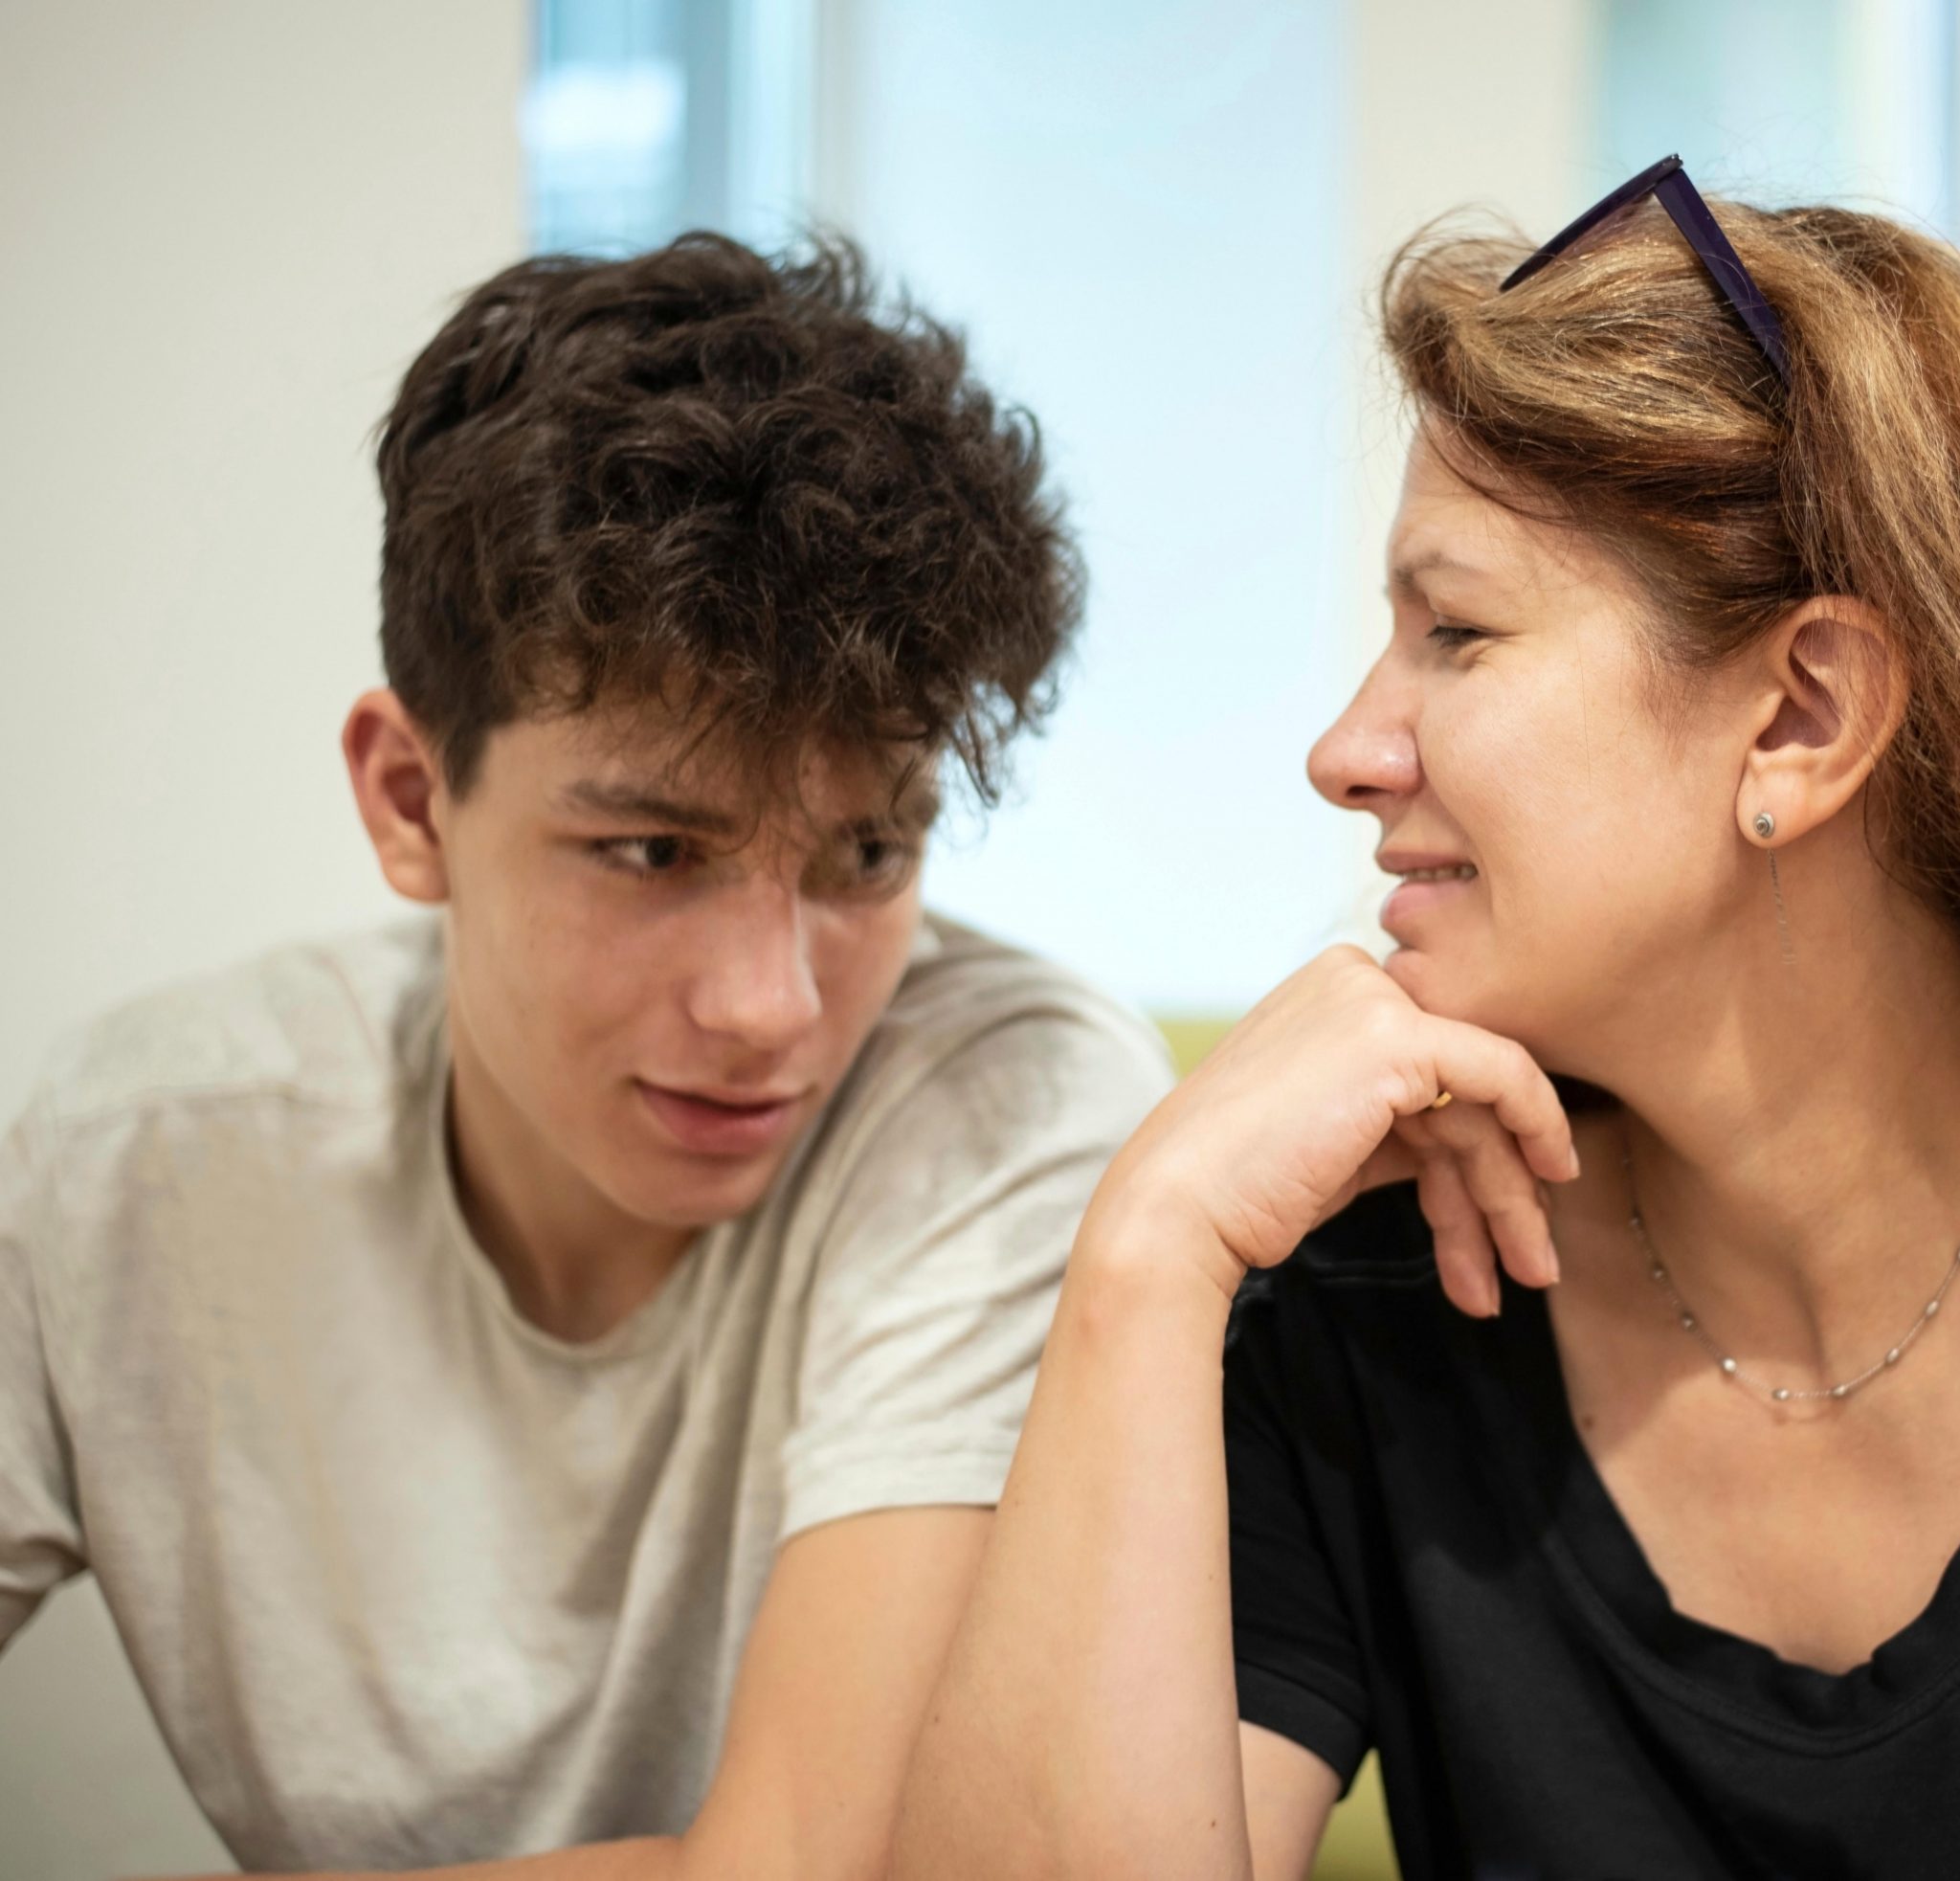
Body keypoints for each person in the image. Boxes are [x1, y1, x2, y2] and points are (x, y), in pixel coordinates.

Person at [890, 168, 1960, 1879]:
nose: (1345, 751)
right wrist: (1146, 1253)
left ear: (1802, 717)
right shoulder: (1375, 1303)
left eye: (1457, 632)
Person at [0, 233, 1173, 1877]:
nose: (770, 1006)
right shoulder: (138, 1151)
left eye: (866, 855)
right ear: (411, 802)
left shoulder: (1010, 1108)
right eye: (652, 851)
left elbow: (794, 1874)